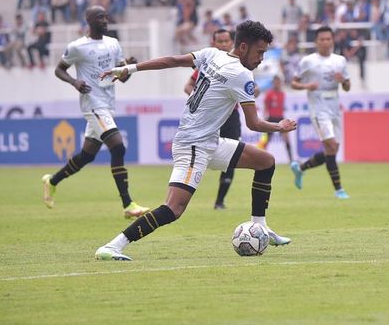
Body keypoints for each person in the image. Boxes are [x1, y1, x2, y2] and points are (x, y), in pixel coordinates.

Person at [95, 20, 296, 261]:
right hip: (193, 146)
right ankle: (112, 246)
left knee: (265, 161)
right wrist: (279, 126)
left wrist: (130, 69)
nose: (262, 58)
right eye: (260, 52)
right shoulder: (242, 74)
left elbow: (172, 60)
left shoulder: (212, 54)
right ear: (243, 47)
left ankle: (260, 227)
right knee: (173, 209)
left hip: (209, 141)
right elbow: (254, 123)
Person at [42, 5, 149, 218]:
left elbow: (122, 77)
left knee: (86, 156)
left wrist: (129, 68)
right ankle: (128, 204)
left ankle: (52, 181)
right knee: (117, 147)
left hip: (108, 104)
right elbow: (59, 69)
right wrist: (74, 82)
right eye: (100, 17)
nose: (105, 20)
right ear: (89, 21)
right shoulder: (78, 47)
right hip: (92, 103)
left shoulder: (113, 43)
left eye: (106, 16)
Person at [183, 29, 242, 210]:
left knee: (232, 157)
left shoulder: (240, 65)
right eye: (220, 41)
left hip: (231, 117)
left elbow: (252, 89)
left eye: (226, 41)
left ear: (232, 43)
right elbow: (188, 85)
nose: (223, 44)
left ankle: (219, 201)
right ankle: (183, 191)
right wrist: (201, 98)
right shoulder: (209, 64)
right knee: (200, 156)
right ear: (214, 43)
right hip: (210, 118)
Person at [290, 26, 351, 199]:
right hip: (318, 108)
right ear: (316, 41)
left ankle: (300, 168)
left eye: (328, 39)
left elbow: (347, 87)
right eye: (322, 39)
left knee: (332, 150)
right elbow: (294, 83)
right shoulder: (308, 61)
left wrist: (343, 80)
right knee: (331, 146)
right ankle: (339, 189)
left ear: (333, 40)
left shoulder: (340, 60)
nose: (325, 42)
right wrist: (306, 86)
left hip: (335, 108)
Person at [259, 75, 294, 163]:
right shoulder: (269, 93)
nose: (278, 84)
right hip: (271, 118)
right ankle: (261, 158)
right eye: (276, 82)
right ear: (273, 83)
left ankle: (291, 159)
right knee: (266, 140)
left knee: (286, 138)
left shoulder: (282, 94)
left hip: (280, 118)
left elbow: (281, 107)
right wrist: (265, 118)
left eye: (279, 82)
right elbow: (266, 106)